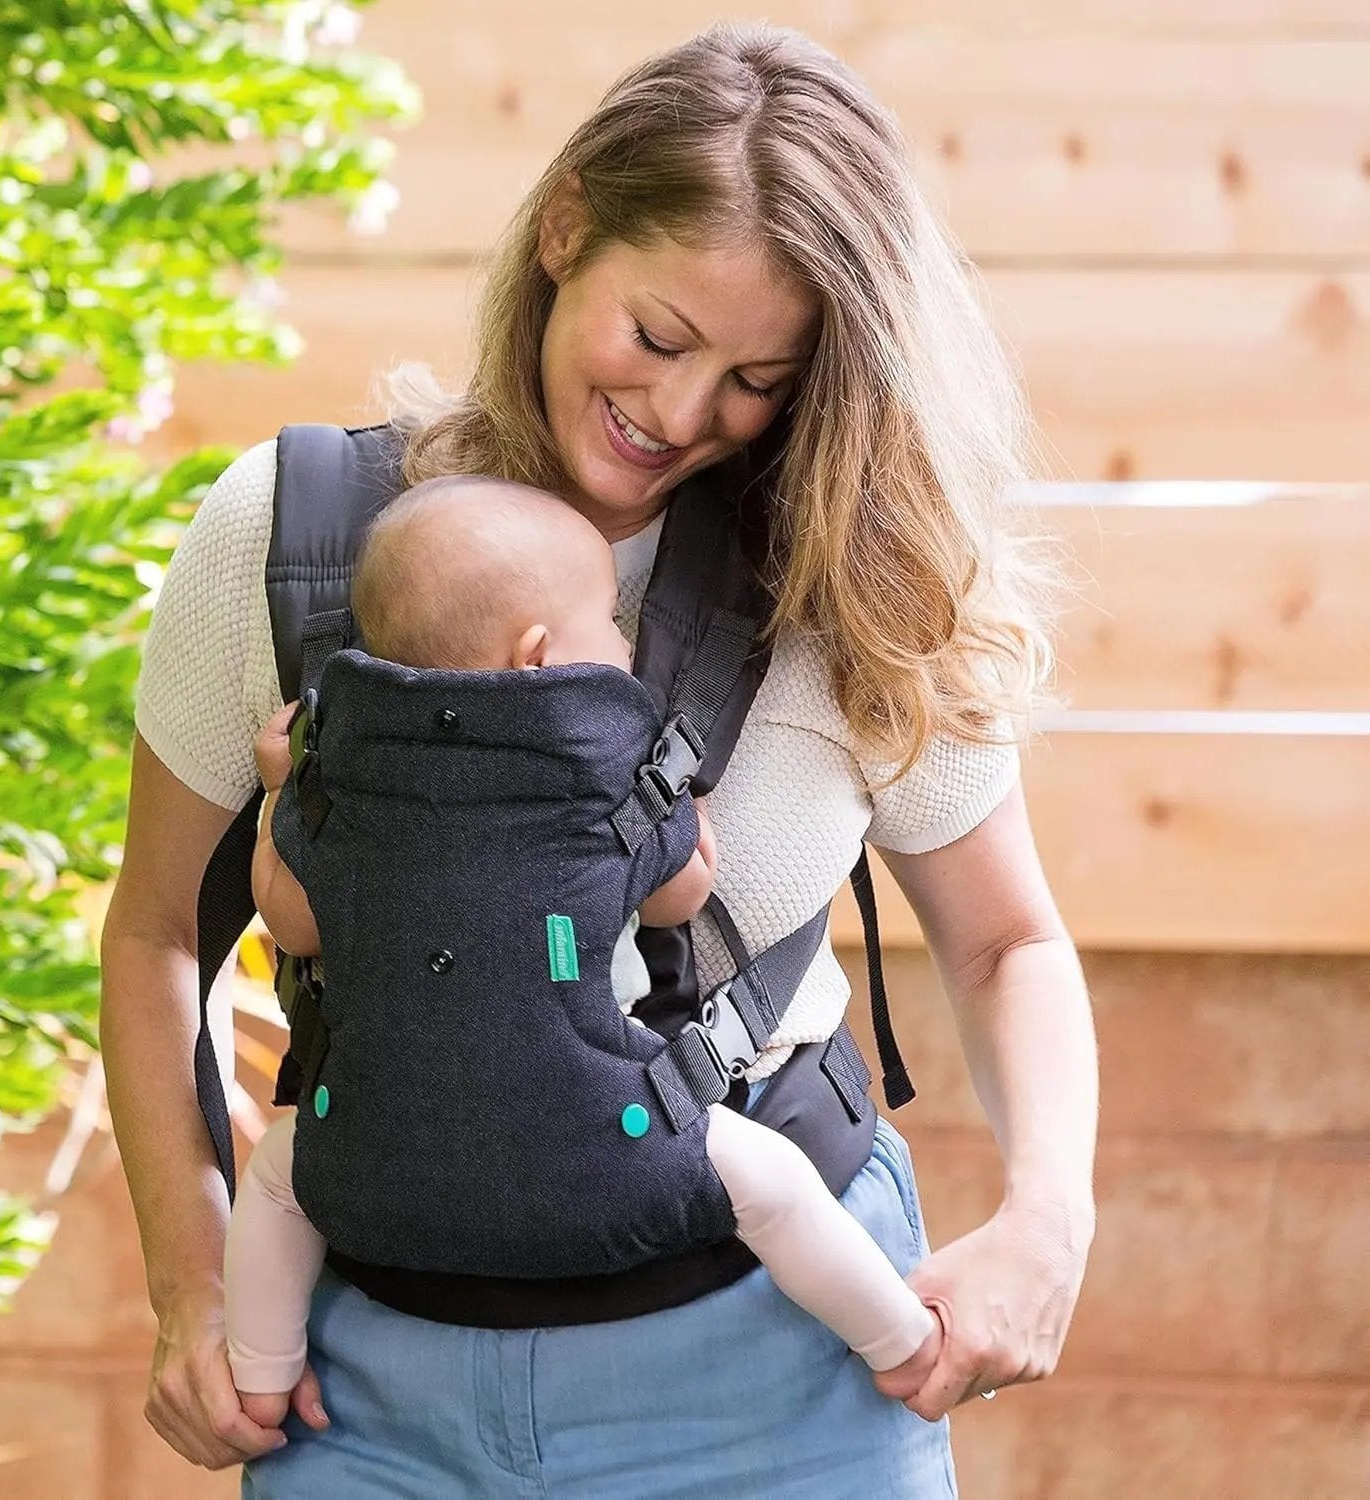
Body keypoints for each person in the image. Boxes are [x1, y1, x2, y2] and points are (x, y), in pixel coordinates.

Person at [101, 21, 1097, 1496]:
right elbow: (151, 937)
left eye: (760, 376)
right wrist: (194, 1284)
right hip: (365, 1390)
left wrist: (1047, 1217)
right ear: (567, 226)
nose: (686, 417)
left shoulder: (855, 568)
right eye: (662, 337)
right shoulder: (296, 538)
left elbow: (1010, 940)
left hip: (783, 1373)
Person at [224, 476, 942, 1426]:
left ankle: (261, 1380)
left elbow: (294, 923)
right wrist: (686, 817)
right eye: (608, 619)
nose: (623, 643)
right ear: (538, 659)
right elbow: (680, 898)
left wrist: (281, 794)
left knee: (277, 1181)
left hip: (377, 1158)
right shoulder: (600, 774)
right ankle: (901, 1345)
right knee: (774, 1191)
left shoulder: (343, 780)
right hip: (606, 1138)